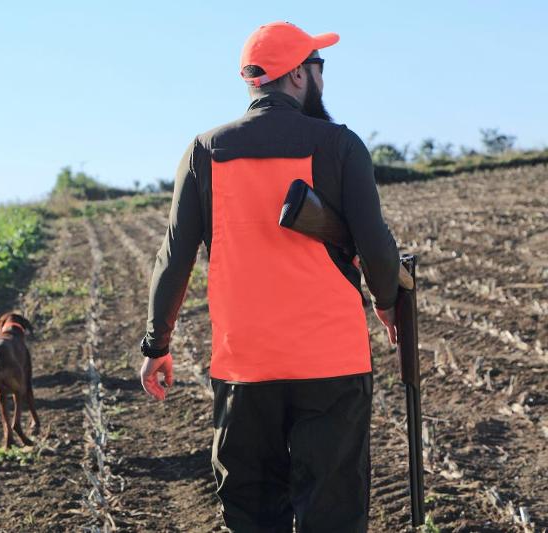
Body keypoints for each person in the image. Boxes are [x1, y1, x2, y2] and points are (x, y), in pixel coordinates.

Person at [139, 22, 401, 532]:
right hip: (331, 362)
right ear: (300, 75)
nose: (322, 77)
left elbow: (175, 255)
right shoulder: (341, 145)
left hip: (245, 366)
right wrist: (388, 301)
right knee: (333, 512)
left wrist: (157, 344)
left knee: (253, 513)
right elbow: (377, 246)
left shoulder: (203, 151)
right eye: (319, 67)